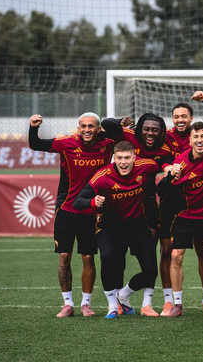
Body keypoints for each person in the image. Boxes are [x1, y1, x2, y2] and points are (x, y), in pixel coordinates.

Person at [28, 112, 115, 317]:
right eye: (83, 126)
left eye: (91, 126)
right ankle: (67, 303)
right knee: (64, 256)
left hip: (91, 210)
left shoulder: (108, 145)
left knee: (88, 257)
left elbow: (126, 137)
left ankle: (86, 304)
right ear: (78, 128)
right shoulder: (66, 143)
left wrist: (121, 123)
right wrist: (33, 127)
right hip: (66, 209)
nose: (86, 130)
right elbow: (35, 144)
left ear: (98, 129)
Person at [73, 141, 160, 319]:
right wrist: (92, 201)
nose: (123, 162)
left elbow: (163, 162)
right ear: (114, 158)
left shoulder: (146, 166)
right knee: (108, 257)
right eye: (119, 158)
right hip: (110, 225)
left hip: (137, 224)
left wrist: (168, 168)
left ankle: (123, 295)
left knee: (151, 271)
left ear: (134, 157)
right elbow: (78, 202)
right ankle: (112, 305)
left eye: (127, 158)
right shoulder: (102, 176)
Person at [160, 91, 203, 317]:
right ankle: (172, 301)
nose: (180, 119)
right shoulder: (166, 137)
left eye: (184, 116)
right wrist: (168, 170)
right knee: (170, 252)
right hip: (179, 203)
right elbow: (158, 157)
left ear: (191, 119)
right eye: (176, 116)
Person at [101, 112, 170, 316]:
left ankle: (146, 303)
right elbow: (106, 123)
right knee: (117, 257)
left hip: (147, 206)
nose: (150, 133)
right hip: (121, 206)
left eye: (155, 130)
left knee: (149, 260)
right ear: (139, 129)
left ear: (161, 132)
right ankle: (118, 303)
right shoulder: (127, 137)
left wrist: (169, 169)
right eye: (146, 129)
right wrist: (120, 122)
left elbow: (167, 166)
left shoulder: (164, 149)